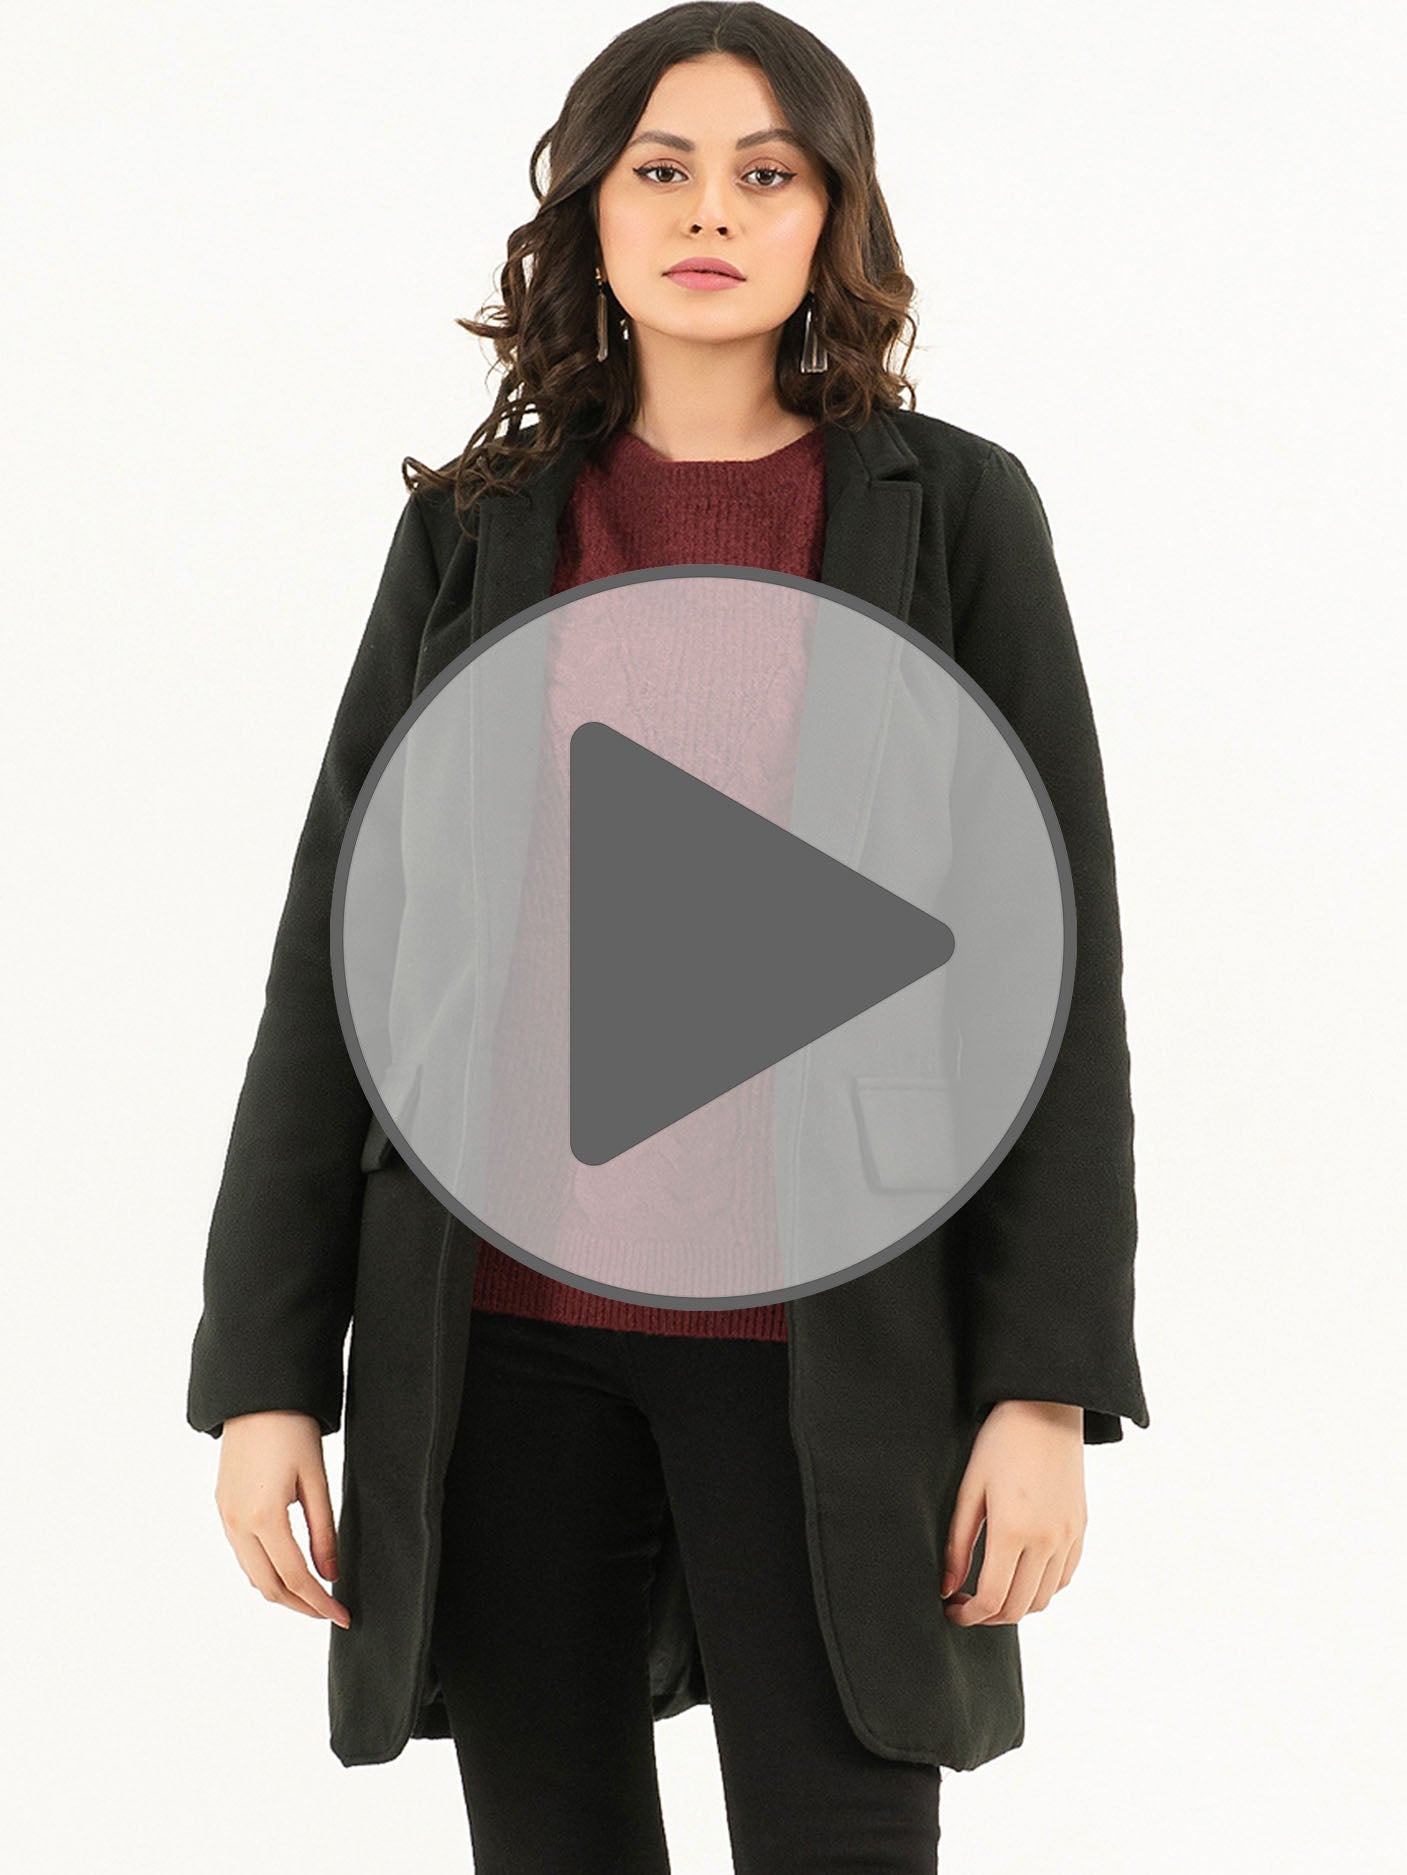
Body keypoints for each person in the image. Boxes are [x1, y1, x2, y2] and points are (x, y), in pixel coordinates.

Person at [188, 7, 1150, 1872]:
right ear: (593, 211)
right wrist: (265, 1372)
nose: (712, 211)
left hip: (829, 1338)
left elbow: (1056, 974)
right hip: (498, 1337)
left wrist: (1043, 1387)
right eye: (663, 168)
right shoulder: (475, 533)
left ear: (832, 216)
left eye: (766, 172)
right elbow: (337, 950)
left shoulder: (953, 514)